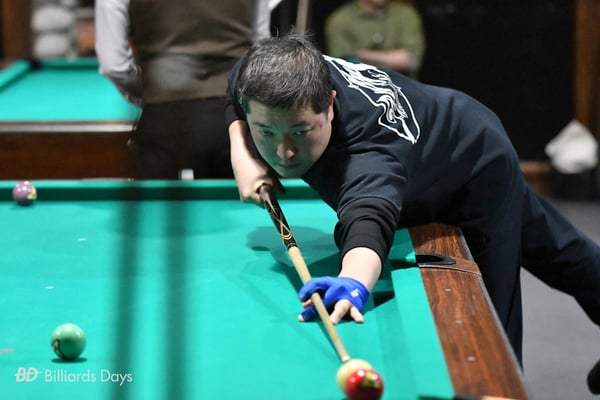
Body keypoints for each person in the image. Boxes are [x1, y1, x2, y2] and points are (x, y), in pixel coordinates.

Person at [225, 33, 600, 388]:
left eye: (300, 131)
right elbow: (236, 79)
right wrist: (241, 152)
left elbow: (368, 222)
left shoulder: (367, 157)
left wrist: (354, 281)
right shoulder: (273, 72)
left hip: (473, 164)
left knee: (489, 327)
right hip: (439, 138)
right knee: (555, 246)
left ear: (331, 104)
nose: (284, 152)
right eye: (266, 132)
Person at [95, 0, 270, 179]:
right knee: (244, 197)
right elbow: (262, 52)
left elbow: (113, 66)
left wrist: (151, 92)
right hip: (235, 121)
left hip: (163, 120)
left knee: (155, 198)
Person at [325, 0, 425, 79]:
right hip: (359, 90)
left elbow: (411, 60)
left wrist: (362, 55)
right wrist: (391, 59)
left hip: (403, 89)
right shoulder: (340, 20)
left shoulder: (406, 14)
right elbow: (342, 67)